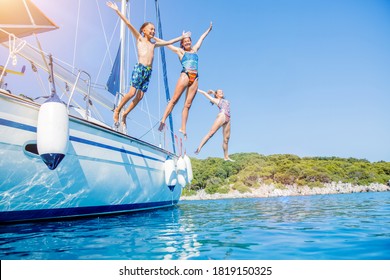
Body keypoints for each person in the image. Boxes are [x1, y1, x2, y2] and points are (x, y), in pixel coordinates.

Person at [107, 1, 190, 129]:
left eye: (154, 30)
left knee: (140, 96)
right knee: (131, 93)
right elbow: (128, 23)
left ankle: (125, 114)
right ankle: (117, 110)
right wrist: (117, 10)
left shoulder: (153, 44)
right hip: (140, 68)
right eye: (151, 29)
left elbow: (169, 42)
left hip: (148, 72)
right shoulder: (139, 39)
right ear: (143, 30)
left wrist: (181, 37)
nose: (153, 31)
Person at [158, 23, 213, 139]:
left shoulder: (195, 50)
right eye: (185, 41)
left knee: (188, 104)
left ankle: (183, 128)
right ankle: (163, 120)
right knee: (174, 100)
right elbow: (166, 44)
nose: (187, 42)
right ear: (182, 43)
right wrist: (152, 37)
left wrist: (208, 30)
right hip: (185, 75)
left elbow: (202, 38)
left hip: (195, 78)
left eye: (189, 41)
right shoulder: (180, 51)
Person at [194, 89, 234, 162]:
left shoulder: (226, 101)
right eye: (219, 92)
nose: (221, 92)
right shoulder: (215, 100)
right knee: (211, 133)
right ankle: (199, 148)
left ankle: (226, 157)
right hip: (222, 115)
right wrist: (196, 89)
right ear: (216, 94)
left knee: (226, 140)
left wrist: (213, 92)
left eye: (222, 91)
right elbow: (204, 93)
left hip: (228, 119)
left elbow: (217, 95)